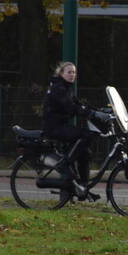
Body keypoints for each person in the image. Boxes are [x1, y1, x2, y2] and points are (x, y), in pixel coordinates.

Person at [42, 62, 99, 201]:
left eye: (74, 72)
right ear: (61, 73)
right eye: (69, 72)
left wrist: (96, 111)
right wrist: (88, 113)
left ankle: (83, 187)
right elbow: (69, 106)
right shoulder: (58, 88)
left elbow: (77, 103)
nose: (72, 75)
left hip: (61, 126)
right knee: (85, 136)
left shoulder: (66, 88)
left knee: (85, 152)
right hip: (54, 127)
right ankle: (65, 163)